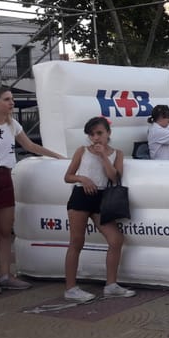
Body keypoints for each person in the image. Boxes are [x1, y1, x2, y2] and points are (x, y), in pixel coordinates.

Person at [0, 87, 64, 294]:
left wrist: (59, 157)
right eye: (7, 99)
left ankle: (5, 275)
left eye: (12, 99)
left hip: (5, 176)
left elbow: (31, 146)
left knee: (5, 230)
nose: (12, 103)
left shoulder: (12, 124)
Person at [62, 116, 135, 302]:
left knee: (116, 238)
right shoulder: (82, 151)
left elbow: (114, 177)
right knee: (76, 241)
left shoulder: (116, 153)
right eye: (92, 134)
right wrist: (83, 179)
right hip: (81, 196)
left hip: (101, 198)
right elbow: (68, 176)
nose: (95, 138)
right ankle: (71, 288)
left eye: (99, 133)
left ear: (108, 133)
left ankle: (111, 284)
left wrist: (103, 155)